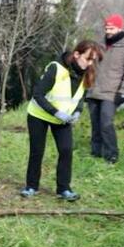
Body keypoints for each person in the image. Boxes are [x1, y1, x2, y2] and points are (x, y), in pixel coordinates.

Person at [21, 40, 103, 201]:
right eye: (88, 58)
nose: (90, 63)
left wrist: (78, 112)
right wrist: (56, 112)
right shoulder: (56, 68)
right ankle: (31, 186)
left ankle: (63, 189)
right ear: (77, 54)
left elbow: (80, 97)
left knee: (66, 151)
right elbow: (37, 94)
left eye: (93, 60)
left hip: (63, 119)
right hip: (39, 115)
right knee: (37, 151)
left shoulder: (87, 73)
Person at [87, 14, 124, 164]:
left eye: (111, 28)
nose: (108, 31)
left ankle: (111, 155)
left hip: (112, 92)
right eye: (106, 28)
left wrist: (123, 91)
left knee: (106, 123)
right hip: (94, 90)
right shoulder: (99, 44)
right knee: (95, 123)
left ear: (120, 27)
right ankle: (95, 151)